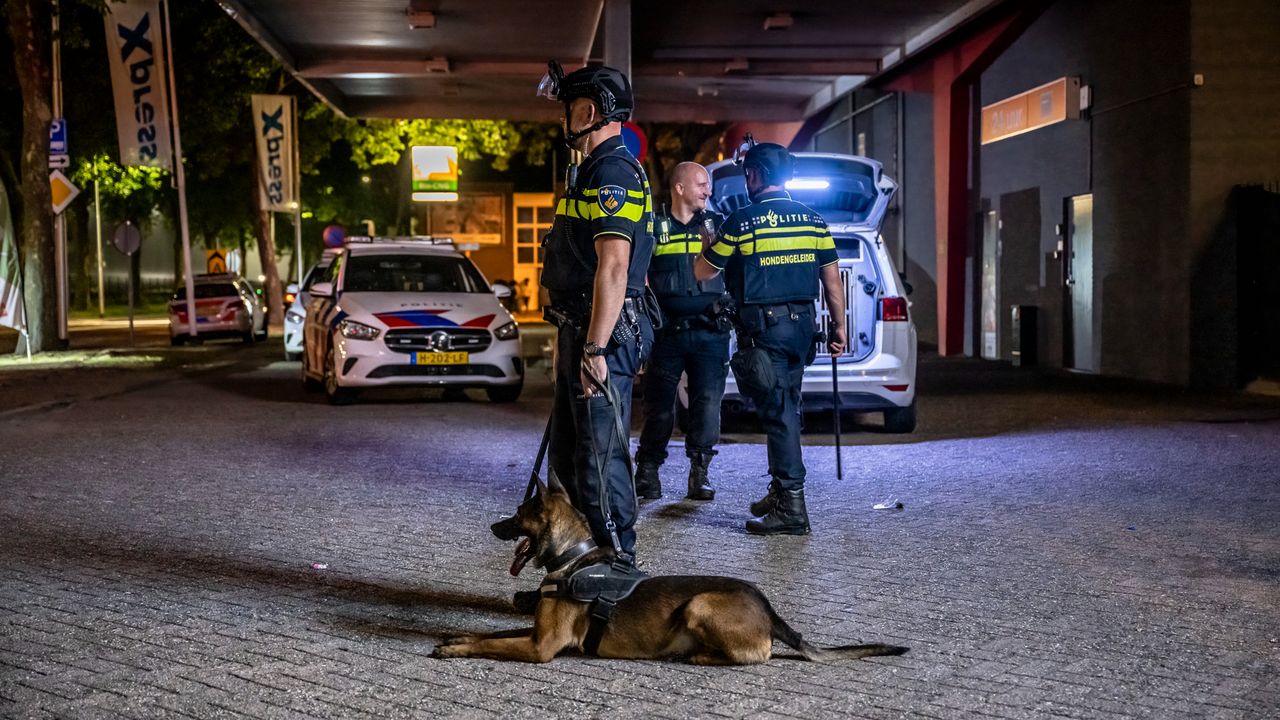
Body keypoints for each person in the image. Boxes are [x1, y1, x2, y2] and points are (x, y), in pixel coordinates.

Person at [693, 139, 846, 535]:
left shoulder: (742, 221)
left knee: (780, 416)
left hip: (766, 332)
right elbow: (832, 281)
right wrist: (840, 329)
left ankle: (792, 507)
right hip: (802, 332)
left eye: (747, 174)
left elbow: (703, 272)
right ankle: (780, 491)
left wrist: (709, 244)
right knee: (788, 408)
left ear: (755, 175)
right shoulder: (814, 221)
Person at [536, 61, 656, 561]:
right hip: (580, 327)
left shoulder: (612, 172)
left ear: (587, 110)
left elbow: (616, 267)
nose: (565, 119)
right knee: (568, 456)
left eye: (569, 108)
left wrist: (596, 347)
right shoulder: (589, 169)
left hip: (599, 334)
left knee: (599, 459)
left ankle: (616, 567)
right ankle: (576, 568)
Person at [634, 162, 729, 502]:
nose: (708, 190)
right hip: (667, 333)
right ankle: (647, 473)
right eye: (702, 184)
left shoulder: (717, 226)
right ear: (680, 188)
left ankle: (699, 473)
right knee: (658, 407)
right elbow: (639, 274)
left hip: (710, 332)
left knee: (706, 406)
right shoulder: (655, 227)